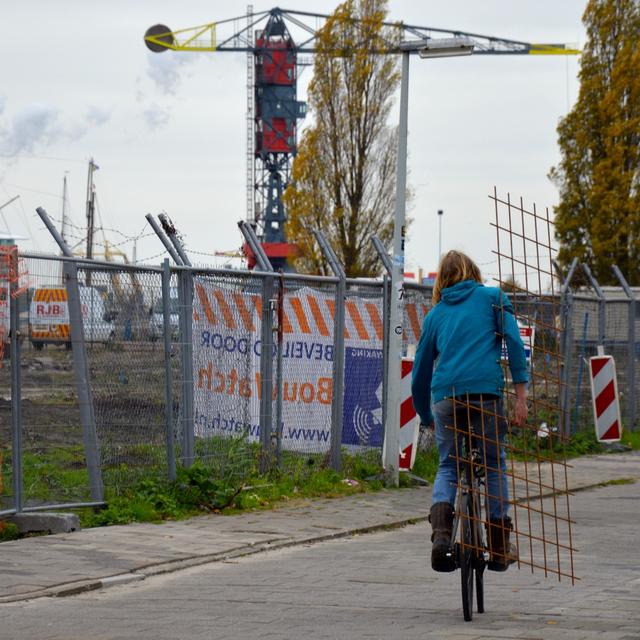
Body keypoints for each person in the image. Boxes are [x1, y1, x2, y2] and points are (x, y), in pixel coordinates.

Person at [411, 250, 528, 573]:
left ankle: (442, 536)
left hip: (446, 398)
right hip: (486, 395)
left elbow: (420, 372)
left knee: (449, 465)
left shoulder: (435, 315)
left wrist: (426, 416)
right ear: (473, 272)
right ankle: (500, 547)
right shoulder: (493, 298)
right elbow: (515, 344)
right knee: (492, 464)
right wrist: (521, 396)